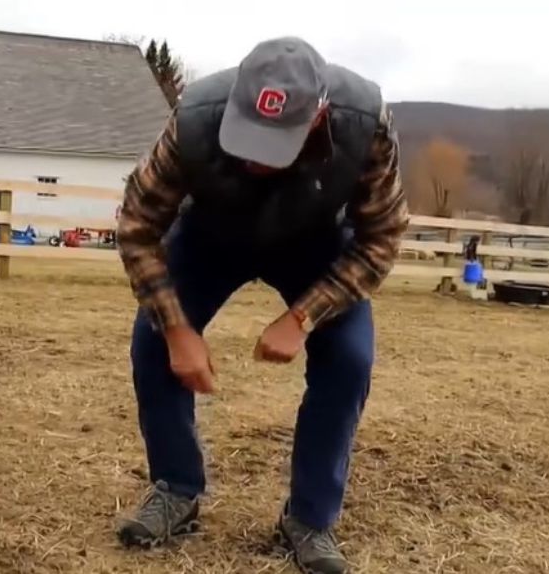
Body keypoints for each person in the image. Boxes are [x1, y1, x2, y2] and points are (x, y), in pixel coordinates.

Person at [113, 36, 409, 574]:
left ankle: (309, 517)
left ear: (318, 120)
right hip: (211, 233)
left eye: (276, 144)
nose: (254, 157)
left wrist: (302, 317)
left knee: (348, 360)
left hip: (315, 242)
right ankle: (177, 488)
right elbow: (136, 227)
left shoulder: (367, 125)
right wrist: (179, 330)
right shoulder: (195, 118)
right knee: (153, 341)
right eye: (248, 136)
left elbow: (382, 237)